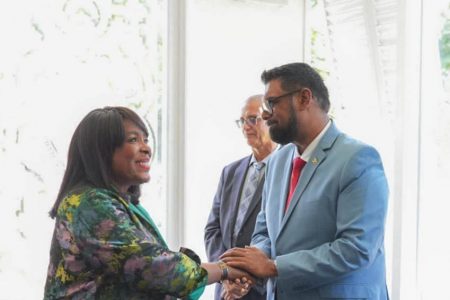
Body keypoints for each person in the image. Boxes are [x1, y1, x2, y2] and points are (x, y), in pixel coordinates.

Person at [43, 106, 252, 300]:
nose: (146, 149)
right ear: (102, 151)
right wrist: (223, 269)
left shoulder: (124, 204)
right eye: (133, 140)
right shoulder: (89, 204)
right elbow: (155, 267)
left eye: (146, 139)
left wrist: (222, 278)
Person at [221, 63, 389, 299]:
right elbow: (265, 232)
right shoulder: (277, 161)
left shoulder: (358, 159)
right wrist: (250, 265)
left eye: (271, 103)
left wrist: (273, 266)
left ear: (304, 98)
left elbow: (357, 249)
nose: (265, 114)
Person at [204, 95, 277, 300]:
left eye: (253, 119)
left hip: (264, 289)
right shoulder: (230, 171)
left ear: (271, 120)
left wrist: (247, 276)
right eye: (242, 121)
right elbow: (213, 229)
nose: (246, 126)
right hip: (227, 291)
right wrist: (225, 273)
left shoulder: (288, 170)